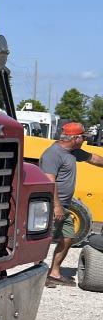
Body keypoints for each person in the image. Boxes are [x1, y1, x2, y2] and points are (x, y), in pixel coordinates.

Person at [40, 122, 103, 286]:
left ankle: (54, 273)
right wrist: (57, 206)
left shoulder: (73, 152)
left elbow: (93, 158)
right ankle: (38, 274)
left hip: (65, 205)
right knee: (43, 240)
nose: (84, 140)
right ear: (75, 138)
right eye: (83, 137)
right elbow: (49, 182)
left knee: (68, 238)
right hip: (51, 205)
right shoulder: (53, 154)